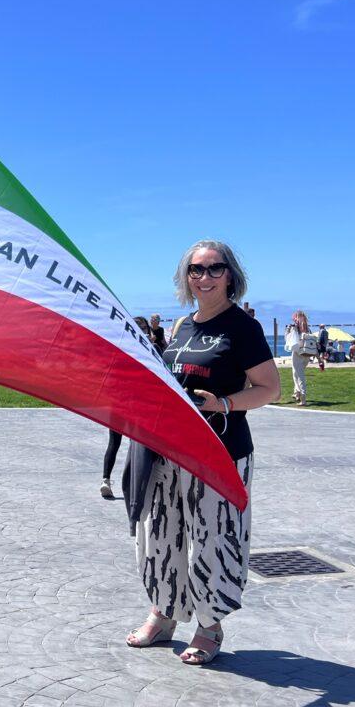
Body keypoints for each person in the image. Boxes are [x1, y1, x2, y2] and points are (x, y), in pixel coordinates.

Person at [126, 240, 279, 666]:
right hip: (170, 451)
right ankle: (164, 612)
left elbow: (270, 389)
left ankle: (210, 625)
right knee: (162, 534)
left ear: (231, 275)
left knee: (214, 539)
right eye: (196, 269)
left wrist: (223, 404)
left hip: (221, 452)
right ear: (185, 276)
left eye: (214, 269)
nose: (204, 277)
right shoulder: (180, 326)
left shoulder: (242, 328)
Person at [101, 316, 152, 499]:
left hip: (122, 403)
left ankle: (106, 480)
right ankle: (131, 483)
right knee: (133, 445)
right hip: (133, 405)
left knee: (117, 443)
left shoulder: (121, 349)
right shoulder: (148, 352)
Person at [283, 310, 314, 405]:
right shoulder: (308, 328)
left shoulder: (295, 327)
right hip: (307, 354)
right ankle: (297, 393)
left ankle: (303, 398)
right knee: (296, 374)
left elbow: (288, 339)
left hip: (297, 353)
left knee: (299, 375)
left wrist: (287, 330)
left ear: (296, 317)